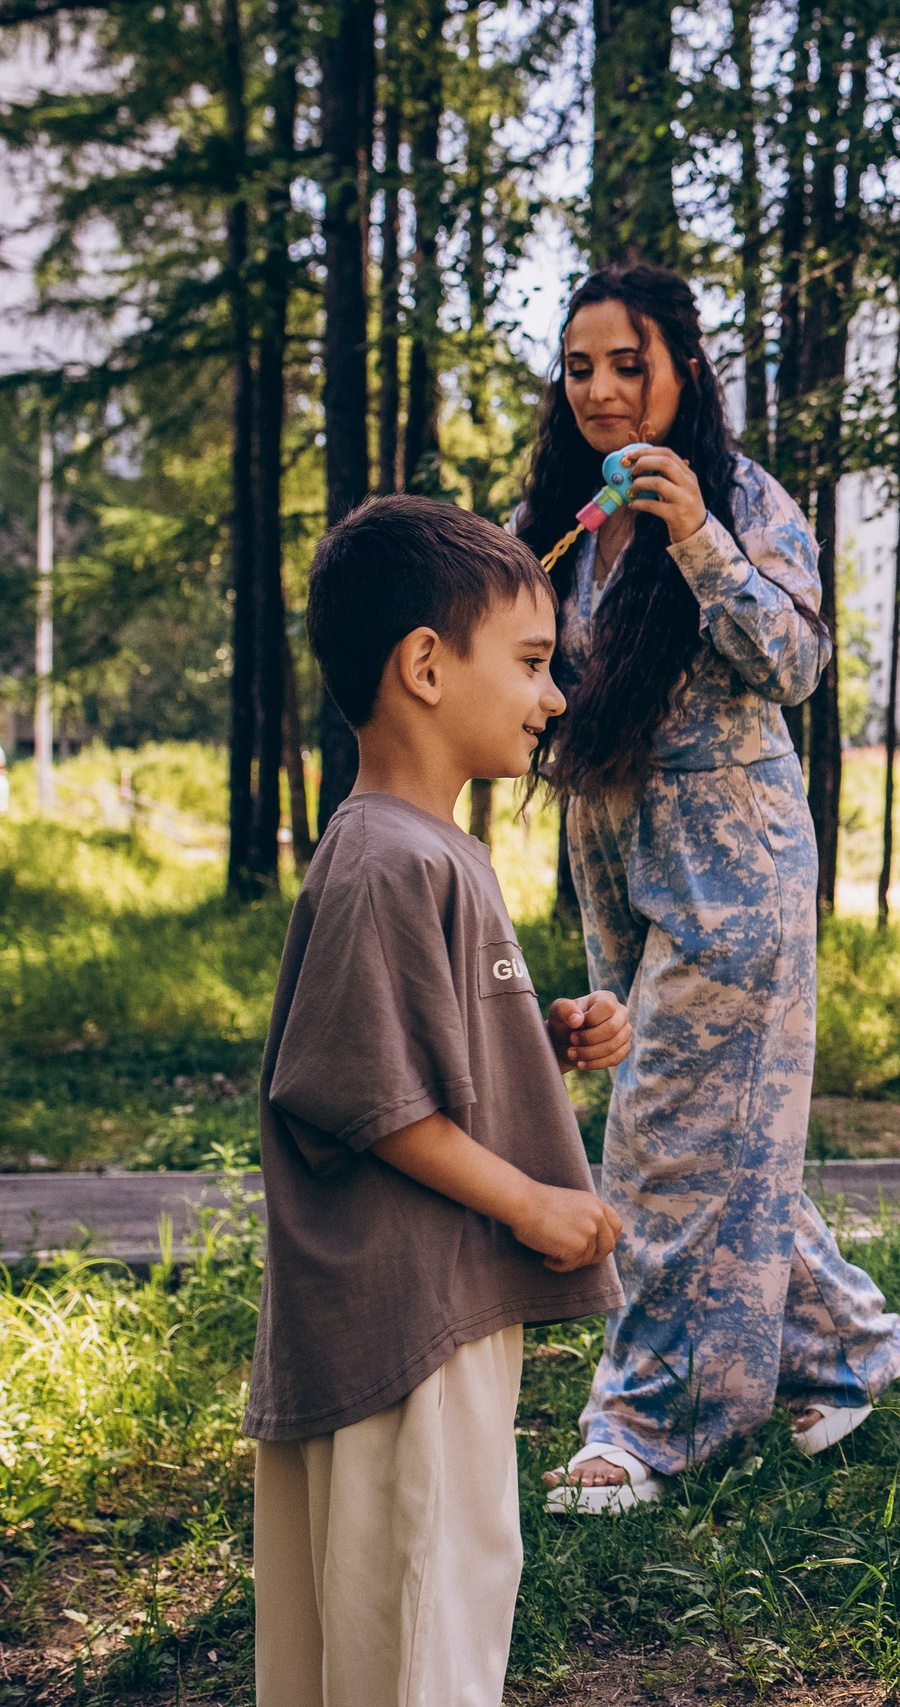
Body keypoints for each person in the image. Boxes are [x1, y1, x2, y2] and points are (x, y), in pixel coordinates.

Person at [517, 262, 900, 1512]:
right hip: (613, 845)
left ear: (682, 368)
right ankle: (853, 1350)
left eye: (625, 363)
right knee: (726, 1139)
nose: (598, 388)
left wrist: (698, 534)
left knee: (655, 1144)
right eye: (579, 366)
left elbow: (794, 664)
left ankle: (642, 1426)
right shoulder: (572, 510)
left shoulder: (745, 498)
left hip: (731, 854)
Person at [249, 496, 630, 1706]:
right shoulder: (386, 858)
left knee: (439, 1593)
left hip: (434, 1309)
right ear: (424, 665)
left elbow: (424, 1044)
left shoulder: (437, 849)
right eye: (528, 663)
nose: (553, 695)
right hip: (402, 1321)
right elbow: (359, 1094)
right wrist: (532, 1202)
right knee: (419, 1617)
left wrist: (545, 1035)